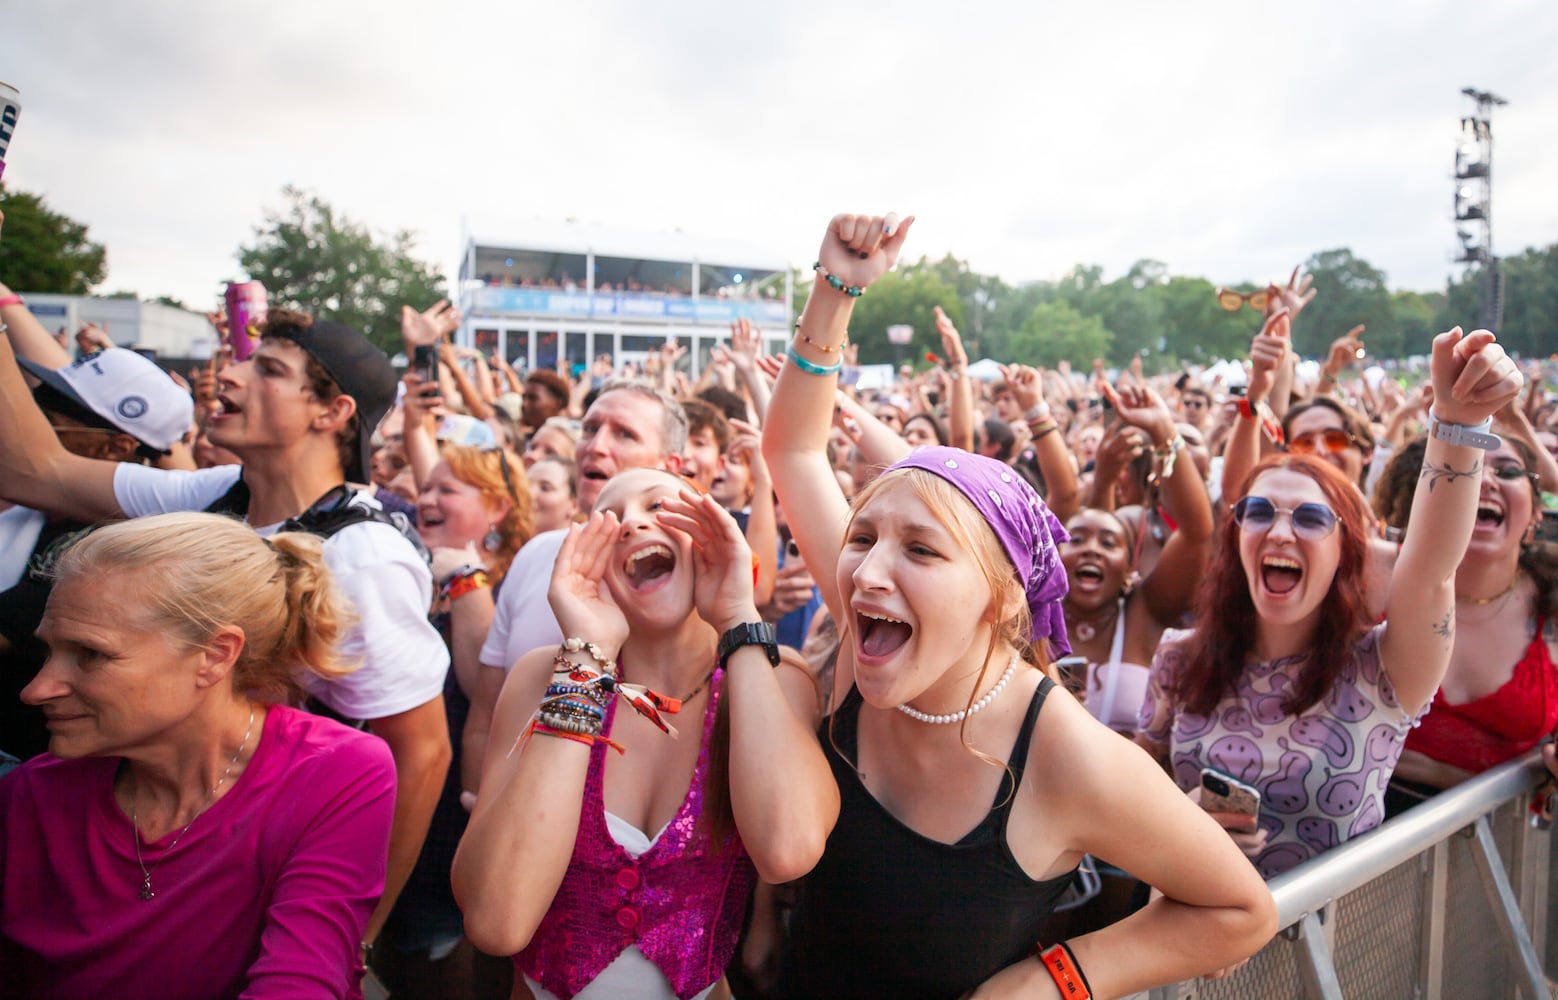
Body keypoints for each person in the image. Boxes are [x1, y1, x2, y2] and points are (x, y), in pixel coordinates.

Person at [763, 212, 1276, 1000]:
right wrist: (836, 287)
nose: (867, 574)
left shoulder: (1065, 754)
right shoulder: (880, 628)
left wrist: (1056, 980)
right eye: (862, 537)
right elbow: (796, 448)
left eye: (923, 550)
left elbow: (1241, 910)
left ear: (998, 595)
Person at [0, 306, 452, 954]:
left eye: (266, 369)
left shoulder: (363, 555)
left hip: (255, 879)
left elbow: (420, 753)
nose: (229, 378)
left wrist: (356, 933)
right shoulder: (217, 494)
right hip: (143, 839)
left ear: (332, 412)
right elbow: (35, 471)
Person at [1138, 327, 1522, 877]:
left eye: (1312, 518)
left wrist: (1457, 423)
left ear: (1346, 556)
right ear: (1236, 539)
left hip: (1326, 950)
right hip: (1188, 940)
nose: (1280, 533)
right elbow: (1130, 798)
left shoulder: (1382, 671)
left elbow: (1432, 571)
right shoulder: (1179, 656)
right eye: (1261, 513)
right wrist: (1180, 822)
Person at [452, 469, 836, 999]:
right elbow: (497, 921)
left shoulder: (775, 677)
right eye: (607, 522)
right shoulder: (546, 677)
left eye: (659, 506)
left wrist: (737, 615)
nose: (632, 522)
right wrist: (585, 661)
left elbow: (787, 850)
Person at [0, 513, 396, 999]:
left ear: (214, 655)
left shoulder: (332, 772)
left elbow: (300, 981)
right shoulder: (29, 795)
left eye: (90, 655)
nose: (38, 689)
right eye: (48, 653)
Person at [467, 381, 689, 796]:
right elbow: (484, 713)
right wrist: (481, 803)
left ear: (670, 466)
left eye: (624, 434)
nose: (596, 445)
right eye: (589, 429)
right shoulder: (538, 555)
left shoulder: (689, 579)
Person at [373, 443, 533, 996]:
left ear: (498, 510)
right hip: (388, 801)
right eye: (425, 487)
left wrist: (465, 578)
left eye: (447, 490)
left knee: (439, 967)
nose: (426, 499)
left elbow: (481, 689)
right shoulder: (403, 568)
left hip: (450, 810)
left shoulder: (516, 579)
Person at [0, 346, 194, 761]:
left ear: (115, 448)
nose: (28, 422)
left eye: (50, 415)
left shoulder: (107, 550)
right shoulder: (30, 510)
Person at [1372, 435, 1558, 814]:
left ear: (1536, 513)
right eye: (1465, 467)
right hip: (1357, 850)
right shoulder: (1370, 574)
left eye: (1507, 471)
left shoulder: (1552, 605)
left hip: (1498, 853)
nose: (1485, 480)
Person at [1059, 382, 1213, 735]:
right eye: (1077, 539)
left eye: (1109, 543)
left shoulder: (1144, 614)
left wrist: (1163, 431)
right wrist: (1104, 477)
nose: (1092, 549)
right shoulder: (1029, 617)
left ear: (1129, 569)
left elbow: (1195, 532)